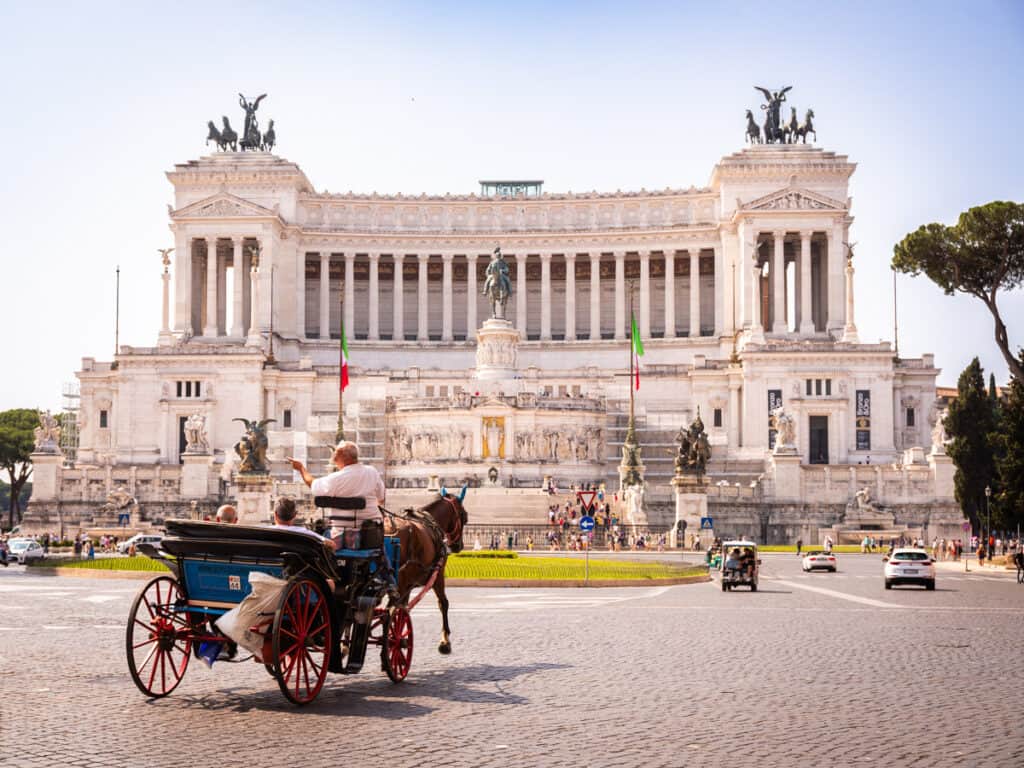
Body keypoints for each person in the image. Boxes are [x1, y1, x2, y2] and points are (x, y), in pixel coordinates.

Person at [289, 441, 385, 546]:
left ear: (344, 457)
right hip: (369, 536)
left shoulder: (335, 479)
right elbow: (381, 498)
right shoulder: (372, 472)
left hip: (339, 538)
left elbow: (313, 485)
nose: (334, 460)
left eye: (335, 456)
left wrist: (301, 469)